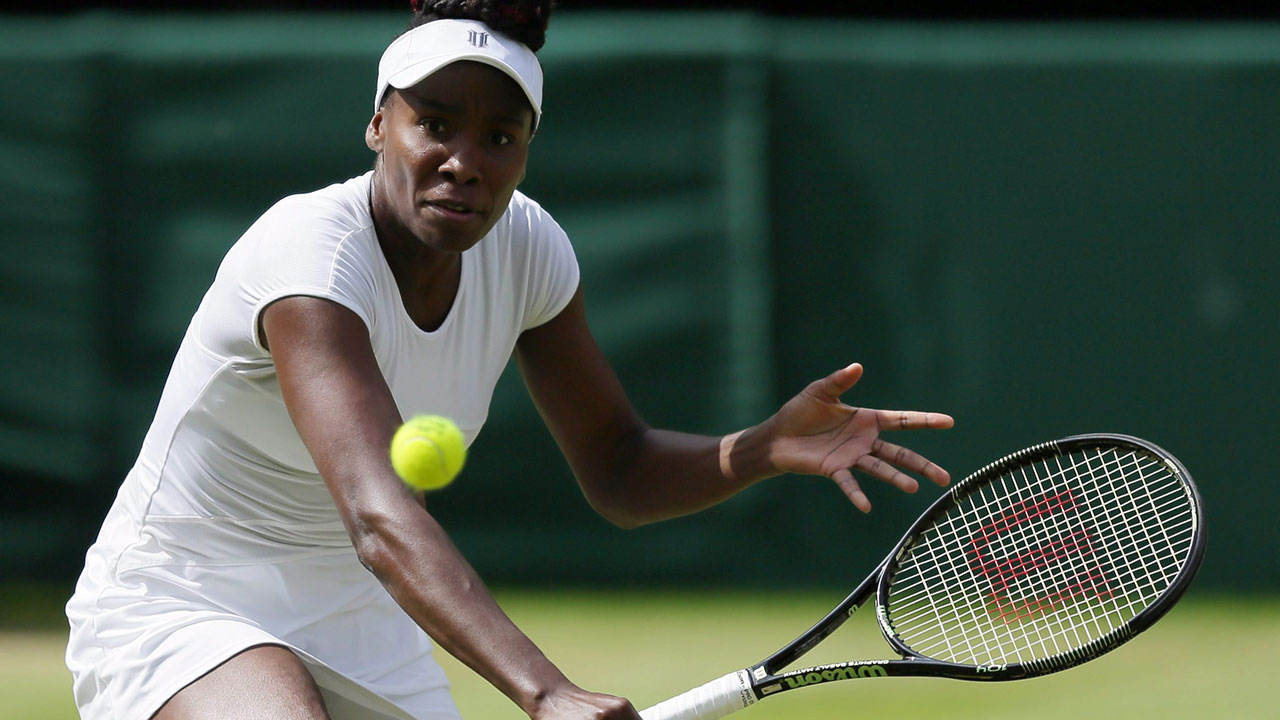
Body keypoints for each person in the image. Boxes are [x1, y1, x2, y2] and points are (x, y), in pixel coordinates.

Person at [65, 2, 955, 719]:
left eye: (500, 136)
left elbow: (620, 469)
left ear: (526, 151)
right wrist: (545, 691)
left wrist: (760, 447)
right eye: (434, 124)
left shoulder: (529, 250)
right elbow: (379, 517)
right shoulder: (308, 258)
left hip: (362, 616)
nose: (464, 161)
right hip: (185, 597)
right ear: (378, 124)